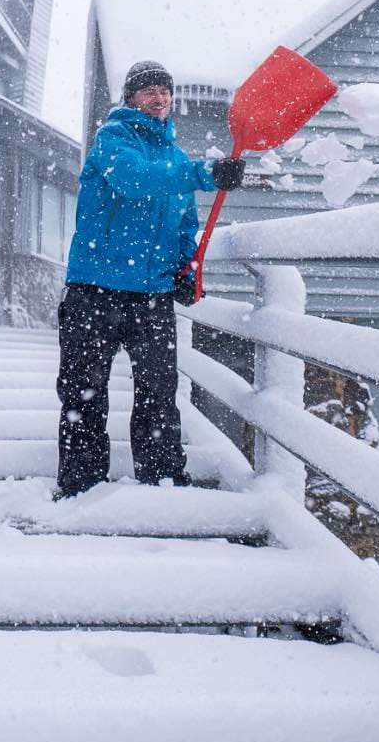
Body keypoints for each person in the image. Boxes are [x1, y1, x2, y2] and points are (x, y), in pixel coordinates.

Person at [54, 60, 245, 500]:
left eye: (166, 91)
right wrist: (204, 174)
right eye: (150, 91)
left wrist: (187, 268)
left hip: (152, 296)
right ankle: (81, 486)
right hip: (95, 289)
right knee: (84, 393)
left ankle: (162, 481)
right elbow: (134, 181)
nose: (160, 99)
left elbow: (184, 225)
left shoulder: (176, 158)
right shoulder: (112, 141)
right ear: (131, 98)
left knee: (159, 393)